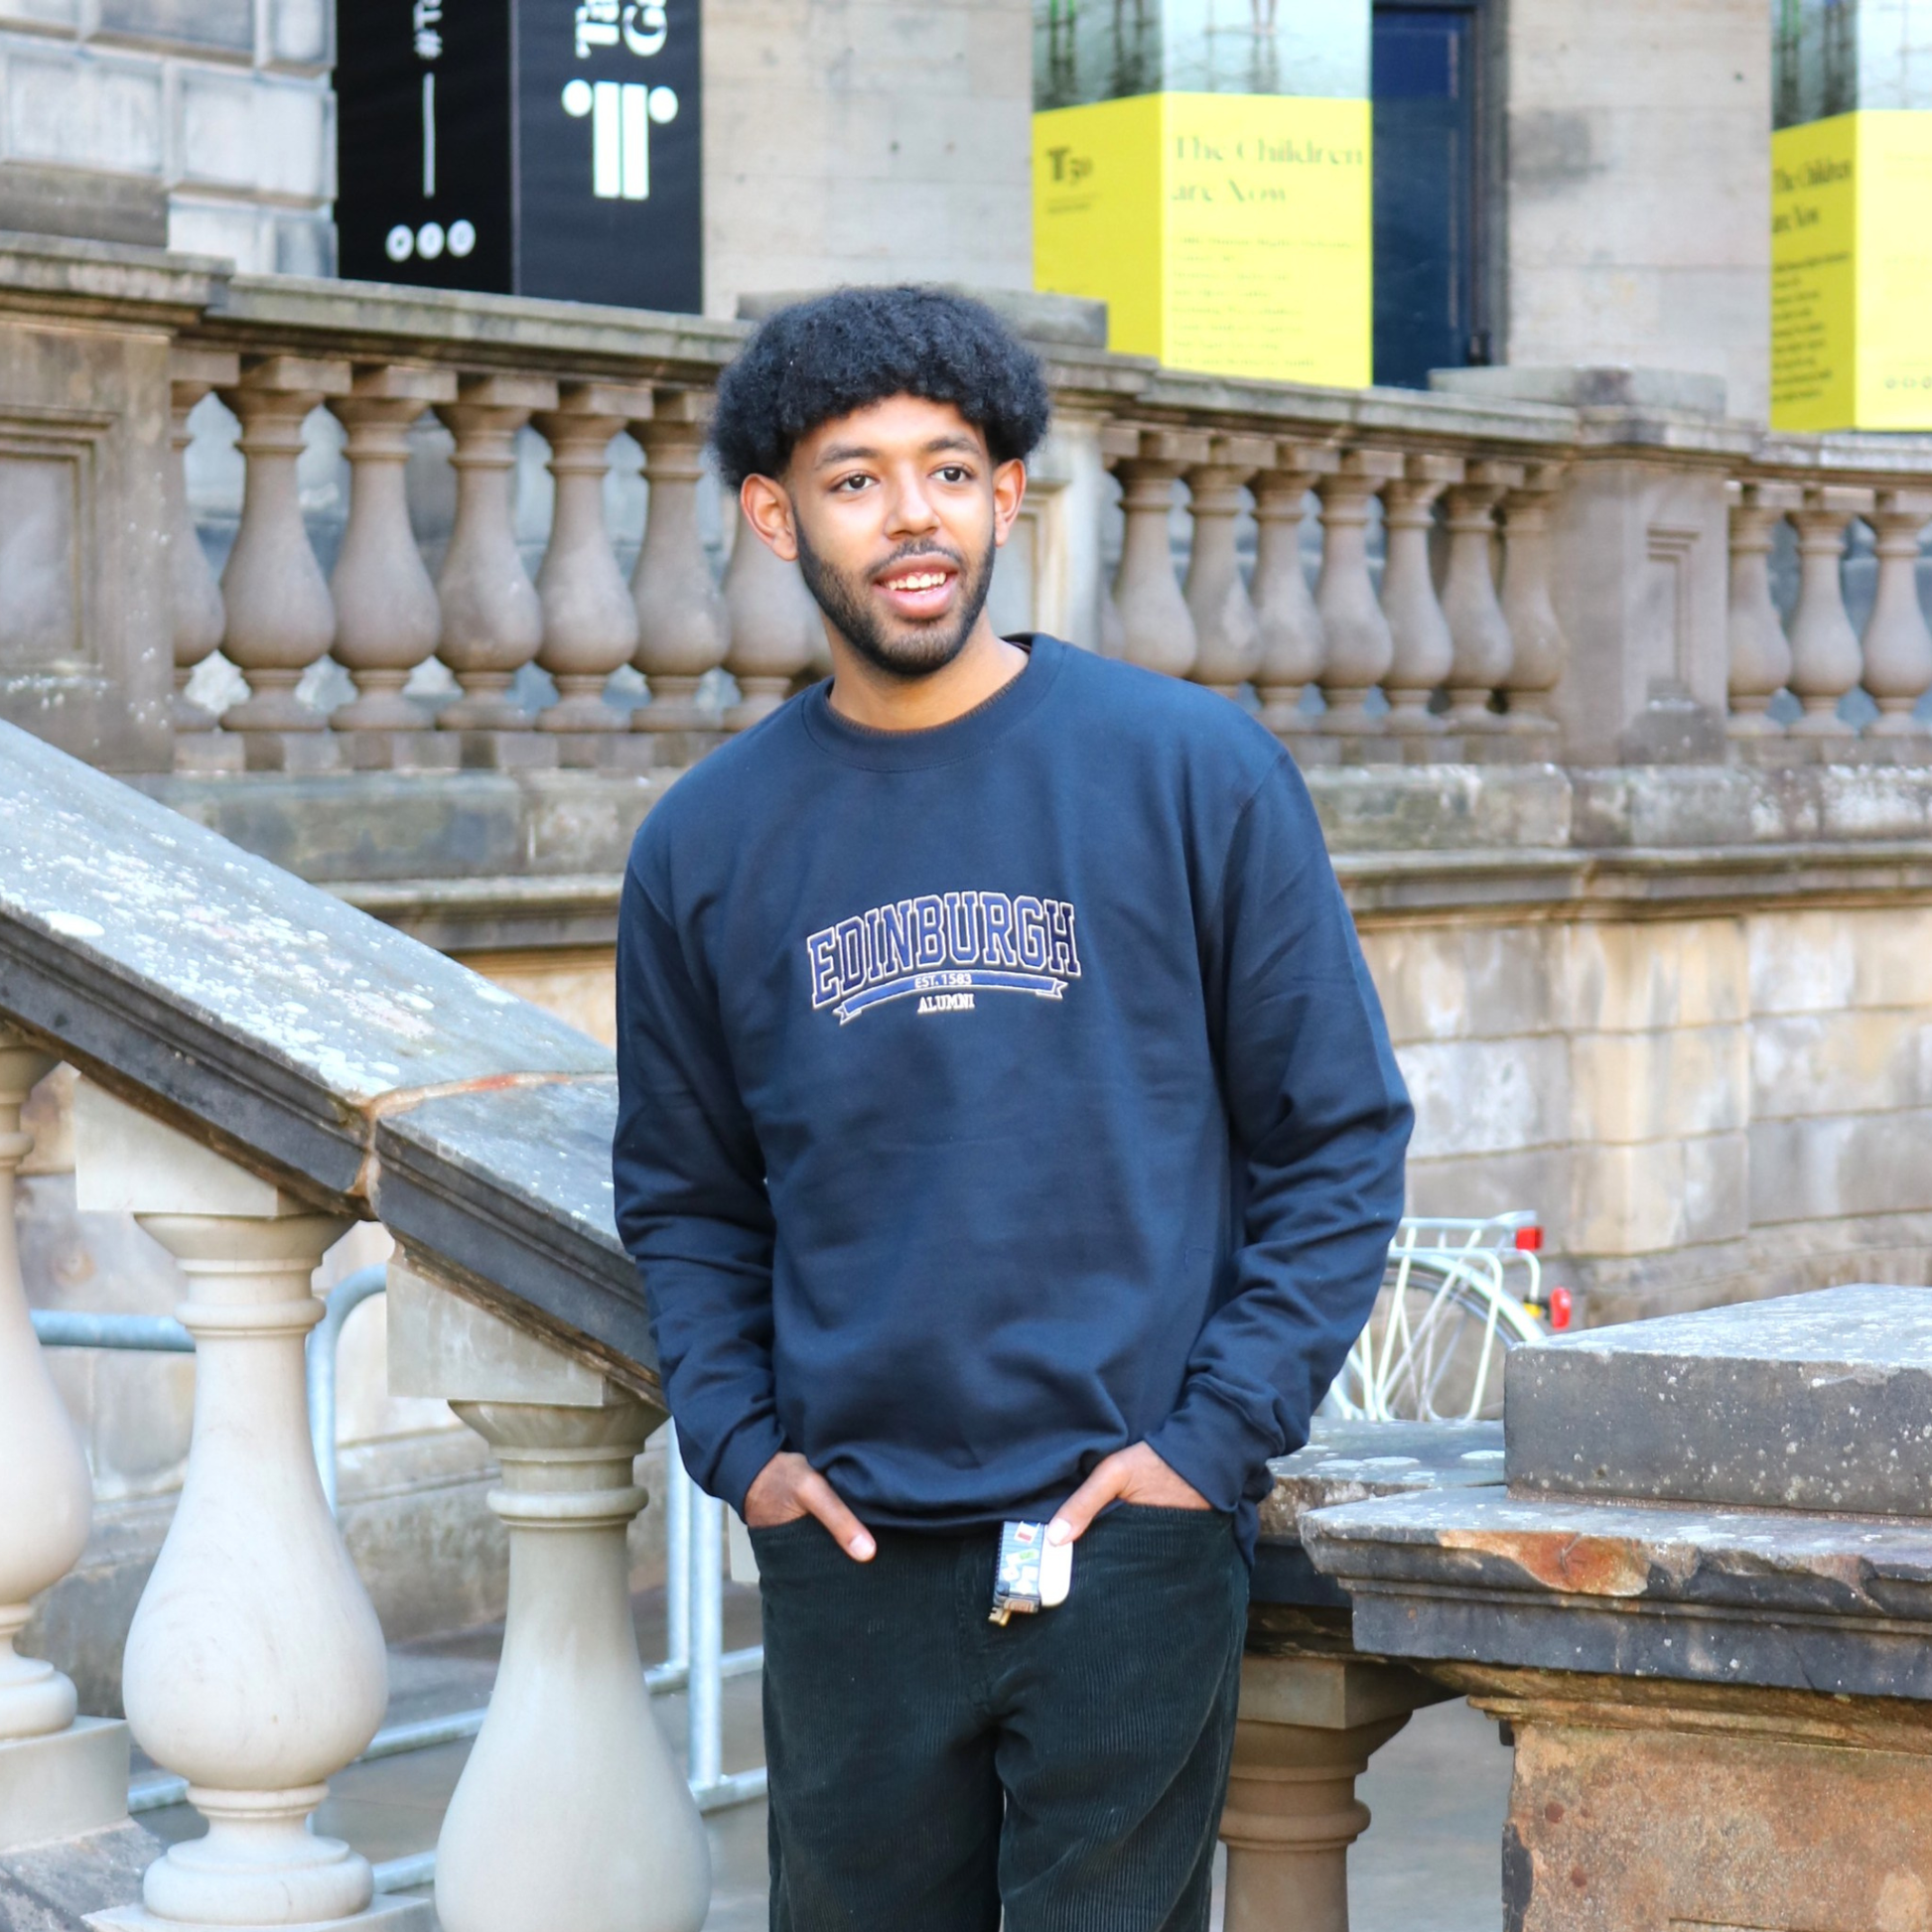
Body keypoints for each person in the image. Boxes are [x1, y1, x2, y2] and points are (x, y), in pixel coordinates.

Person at [613, 285, 1411, 1932]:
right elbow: (687, 1191)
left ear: (1006, 494)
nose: (912, 515)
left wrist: (1209, 1442)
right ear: (773, 515)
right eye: (854, 477)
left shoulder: (1191, 771)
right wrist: (739, 1445)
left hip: (1124, 1534)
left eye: (948, 467)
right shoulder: (707, 844)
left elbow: (1336, 1132)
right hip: (846, 1547)